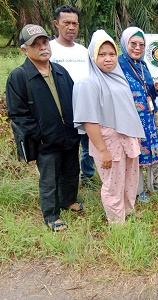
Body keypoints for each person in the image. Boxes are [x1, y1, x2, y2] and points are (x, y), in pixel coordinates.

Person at [6, 24, 81, 232]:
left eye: (45, 42)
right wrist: (40, 135)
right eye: (35, 44)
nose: (42, 47)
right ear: (24, 49)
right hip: (45, 141)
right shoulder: (19, 76)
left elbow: (74, 99)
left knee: (71, 171)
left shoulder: (59, 71)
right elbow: (18, 114)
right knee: (49, 179)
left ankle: (69, 201)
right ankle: (51, 215)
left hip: (68, 135)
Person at [73, 29, 145, 224]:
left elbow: (128, 109)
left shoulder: (118, 77)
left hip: (127, 138)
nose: (108, 59)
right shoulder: (87, 82)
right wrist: (102, 150)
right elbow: (88, 120)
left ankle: (128, 211)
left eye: (112, 54)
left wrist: (135, 136)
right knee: (113, 183)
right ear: (92, 56)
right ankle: (117, 223)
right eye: (102, 54)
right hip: (107, 141)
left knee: (130, 179)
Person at [118, 26, 158, 203]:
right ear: (125, 43)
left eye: (141, 44)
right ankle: (138, 191)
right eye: (133, 43)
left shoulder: (142, 65)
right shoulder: (118, 65)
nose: (137, 48)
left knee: (153, 148)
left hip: (148, 117)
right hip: (130, 120)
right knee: (136, 153)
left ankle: (153, 183)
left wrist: (154, 88)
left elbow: (147, 90)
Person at [50, 4, 95, 187]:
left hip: (84, 107)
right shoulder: (49, 49)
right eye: (66, 23)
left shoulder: (84, 51)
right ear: (56, 24)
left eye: (74, 23)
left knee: (88, 145)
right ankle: (67, 180)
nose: (71, 27)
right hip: (60, 108)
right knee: (66, 147)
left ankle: (88, 177)